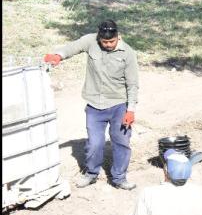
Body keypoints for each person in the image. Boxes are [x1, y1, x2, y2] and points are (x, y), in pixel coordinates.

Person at [44, 20, 140, 190]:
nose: (108, 45)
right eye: (105, 42)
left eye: (112, 41)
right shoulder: (91, 41)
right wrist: (58, 55)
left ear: (118, 37)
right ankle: (91, 174)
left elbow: (132, 84)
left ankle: (119, 178)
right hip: (95, 105)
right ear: (99, 38)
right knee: (95, 143)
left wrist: (130, 110)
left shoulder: (128, 53)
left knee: (121, 142)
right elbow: (72, 47)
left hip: (119, 105)